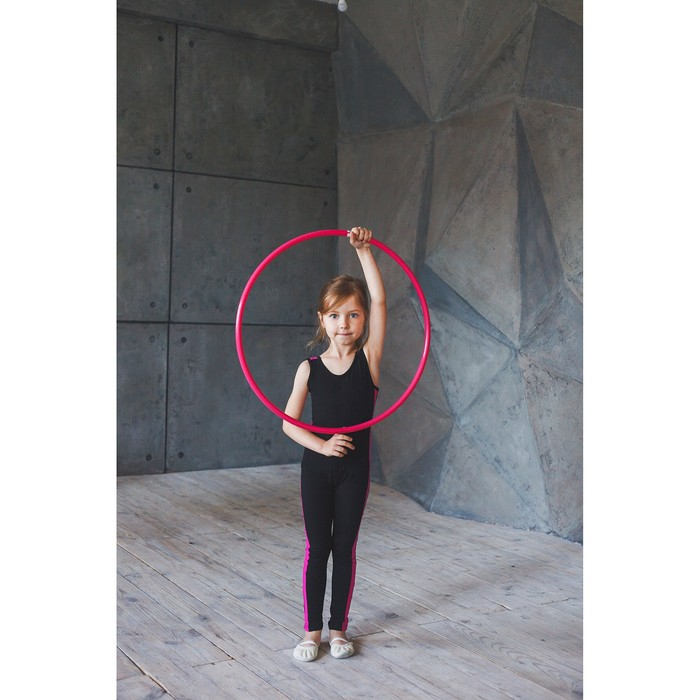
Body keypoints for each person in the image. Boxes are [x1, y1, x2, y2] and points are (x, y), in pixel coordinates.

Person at [283, 226, 386, 662]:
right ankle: (311, 633)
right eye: (335, 315)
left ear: (364, 320)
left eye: (353, 315)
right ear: (322, 319)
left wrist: (363, 251)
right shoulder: (309, 368)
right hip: (317, 469)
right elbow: (288, 424)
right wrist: (322, 446)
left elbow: (380, 300)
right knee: (317, 549)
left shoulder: (369, 361)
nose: (344, 324)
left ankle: (339, 630)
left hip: (353, 472)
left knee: (344, 548)